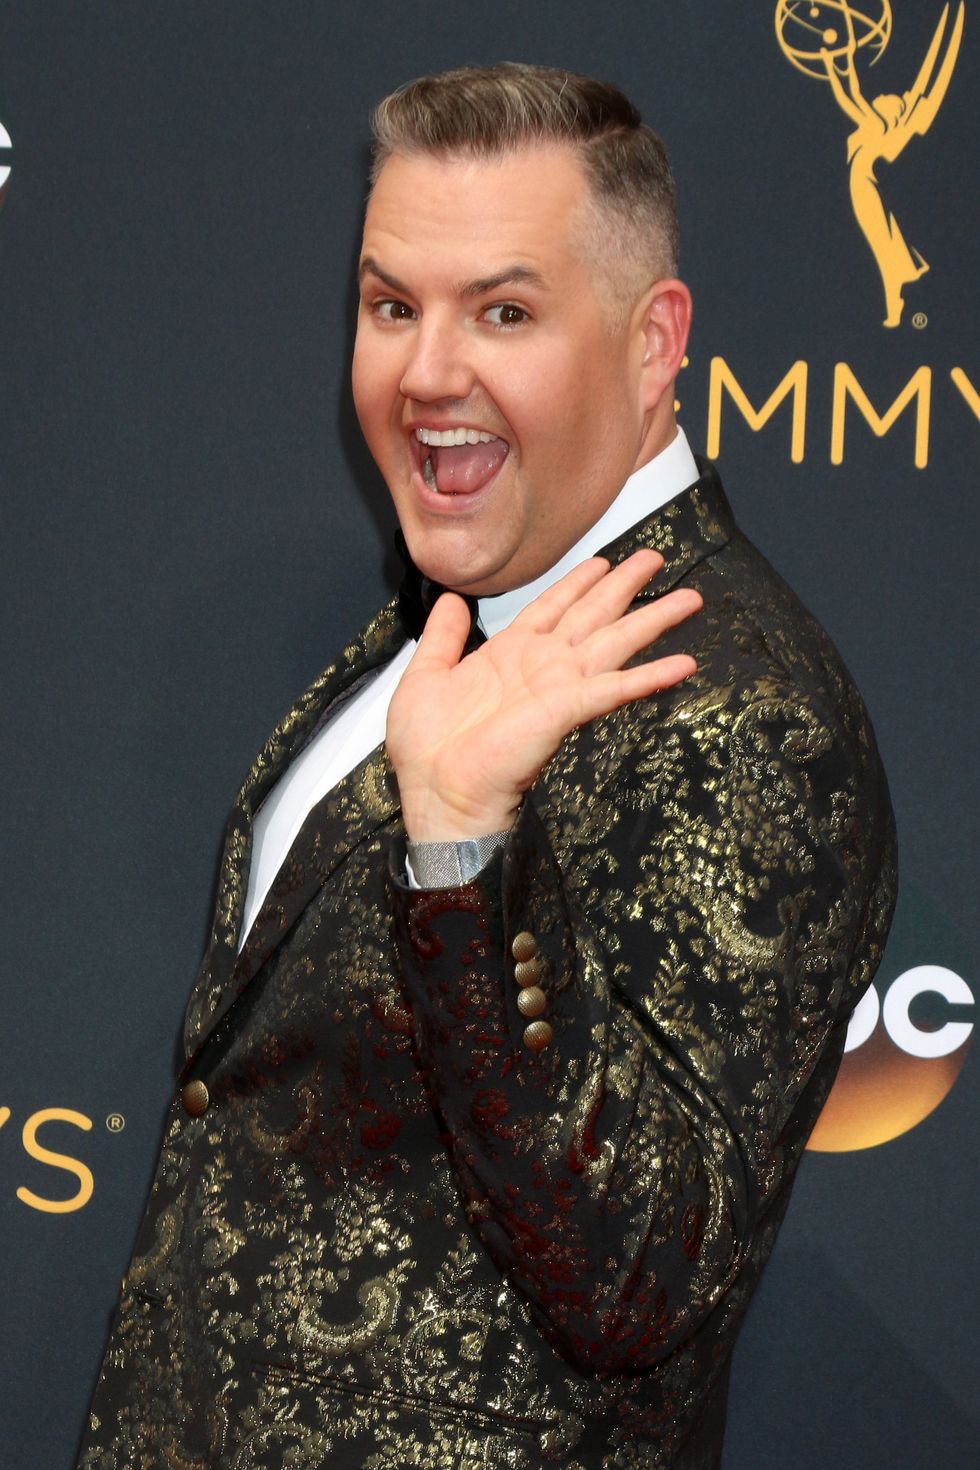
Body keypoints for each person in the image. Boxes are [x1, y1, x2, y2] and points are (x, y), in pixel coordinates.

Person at [76, 63, 896, 1470]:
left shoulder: (743, 708)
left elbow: (637, 1274)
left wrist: (460, 855)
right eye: (392, 305)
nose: (427, 373)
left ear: (654, 345)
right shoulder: (456, 608)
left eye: (503, 312)